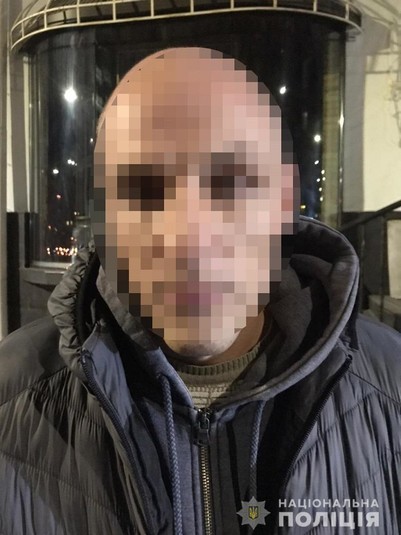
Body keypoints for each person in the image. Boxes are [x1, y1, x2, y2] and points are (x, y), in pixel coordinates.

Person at [0, 47, 400, 535]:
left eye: (231, 183)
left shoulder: (391, 389)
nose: (187, 236)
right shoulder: (11, 397)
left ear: (283, 205)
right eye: (143, 189)